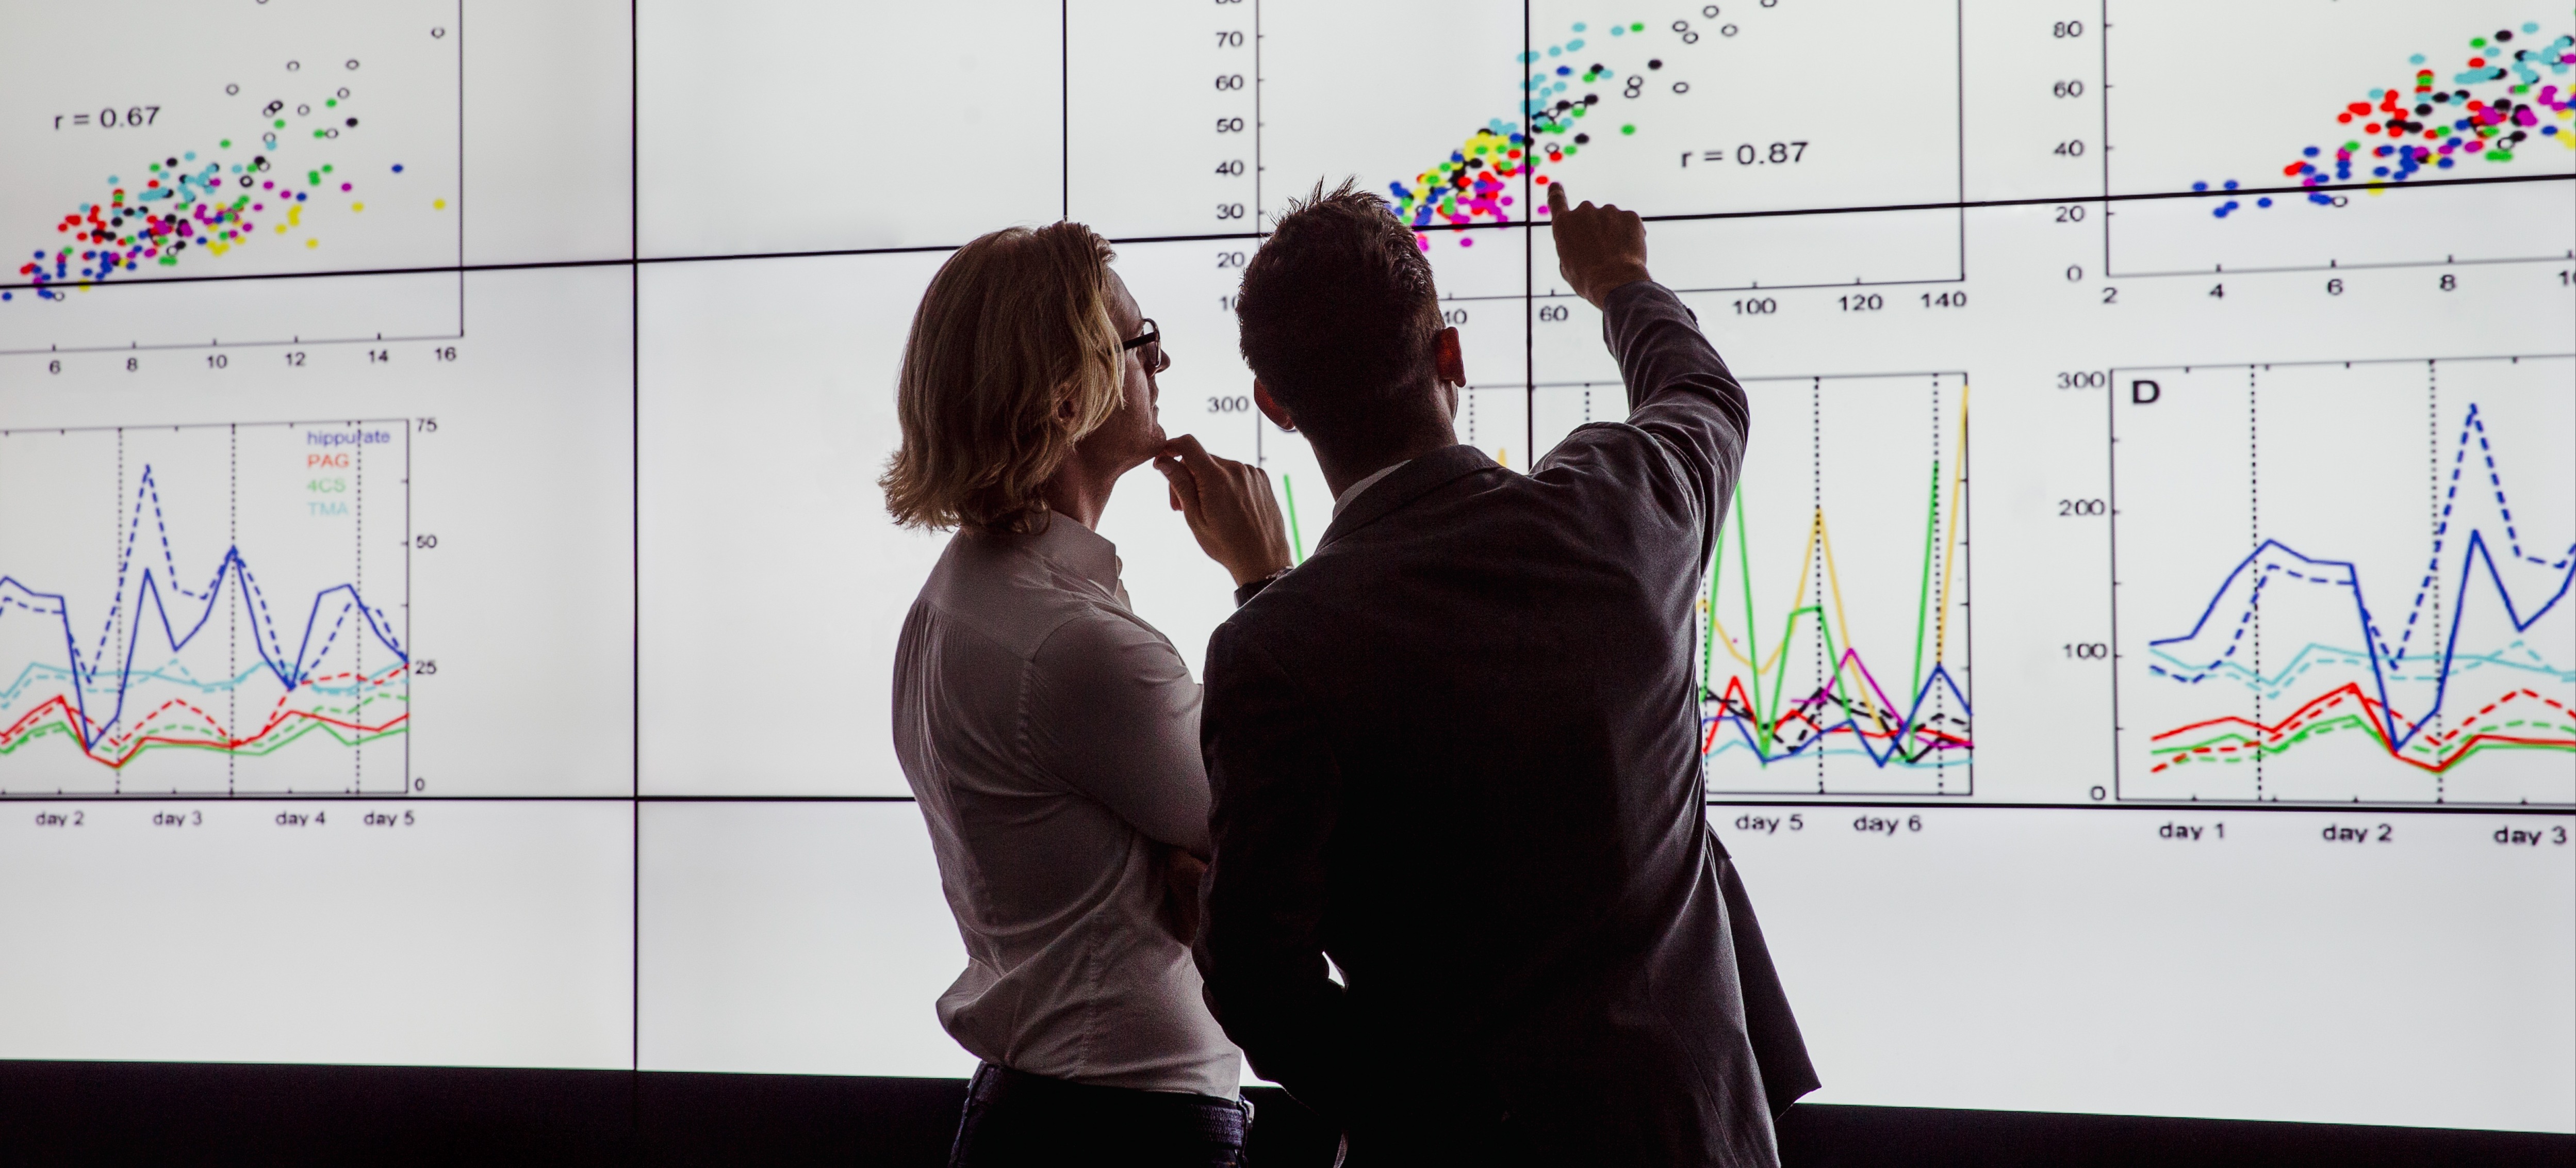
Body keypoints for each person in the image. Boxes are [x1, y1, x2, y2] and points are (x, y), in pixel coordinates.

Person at [1191, 180, 1820, 1165]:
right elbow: (1703, 397)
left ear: (1275, 404)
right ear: (1450, 356)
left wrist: (1437, 1118)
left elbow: (1254, 980)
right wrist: (1620, 283)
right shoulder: (1621, 510)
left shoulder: (1274, 646)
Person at [882, 221, 1294, 1167]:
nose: (1164, 362)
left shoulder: (957, 602)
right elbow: (1284, 820)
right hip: (1125, 1136)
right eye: (1140, 343)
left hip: (1047, 1113)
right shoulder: (1071, 645)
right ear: (1069, 397)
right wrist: (1266, 580)